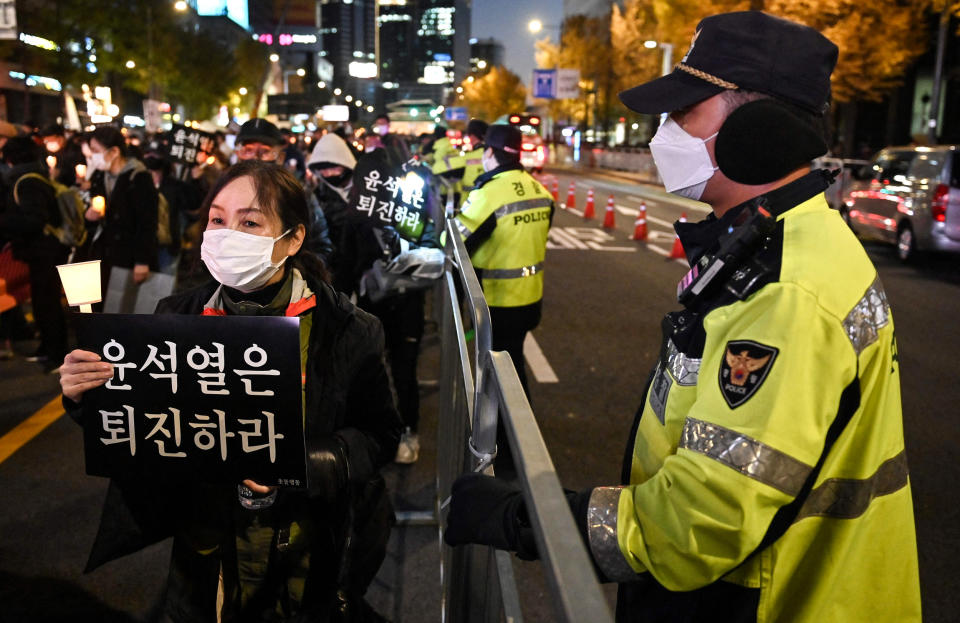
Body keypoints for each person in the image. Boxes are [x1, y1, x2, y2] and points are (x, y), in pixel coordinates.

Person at [444, 11, 921, 623]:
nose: (662, 130)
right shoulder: (774, 242)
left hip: (768, 599)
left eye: (685, 112)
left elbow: (703, 519)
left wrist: (523, 518)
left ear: (759, 129)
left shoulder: (785, 292)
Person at [59, 160, 402, 622]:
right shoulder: (173, 316)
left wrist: (298, 462)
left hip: (304, 555)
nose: (226, 234)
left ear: (293, 238)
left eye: (250, 222)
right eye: (218, 220)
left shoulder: (347, 329)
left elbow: (381, 435)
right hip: (203, 557)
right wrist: (86, 394)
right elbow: (140, 422)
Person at [447, 124, 553, 397]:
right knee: (512, 366)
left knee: (503, 379)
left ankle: (507, 438)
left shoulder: (488, 194)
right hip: (531, 299)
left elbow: (454, 243)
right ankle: (509, 434)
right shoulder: (540, 191)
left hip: (498, 303)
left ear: (490, 153)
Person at [0, 136, 70, 371]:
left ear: (11, 158)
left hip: (44, 252)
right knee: (42, 302)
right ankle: (47, 349)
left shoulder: (28, 182)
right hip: (41, 251)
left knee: (47, 303)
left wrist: (4, 222)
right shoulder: (34, 176)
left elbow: (34, 220)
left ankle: (56, 354)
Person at [83, 125, 159, 294]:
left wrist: (142, 261)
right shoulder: (99, 176)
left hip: (129, 254)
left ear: (114, 152)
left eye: (96, 151)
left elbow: (147, 222)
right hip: (105, 253)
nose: (92, 156)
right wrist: (89, 217)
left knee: (127, 306)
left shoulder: (138, 177)